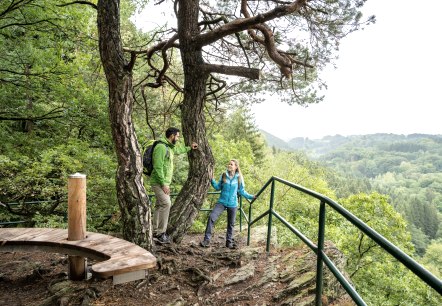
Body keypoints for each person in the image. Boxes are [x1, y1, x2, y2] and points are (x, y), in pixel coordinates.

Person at [150, 127, 198, 244]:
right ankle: (161, 233)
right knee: (166, 203)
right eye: (177, 136)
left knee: (159, 206)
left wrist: (189, 148)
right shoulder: (161, 147)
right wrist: (164, 184)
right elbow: (158, 166)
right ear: (172, 136)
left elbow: (178, 150)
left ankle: (155, 231)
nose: (178, 138)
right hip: (158, 182)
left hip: (162, 182)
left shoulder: (169, 147)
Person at [200, 159, 255, 249]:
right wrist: (212, 180)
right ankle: (206, 240)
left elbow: (241, 191)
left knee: (231, 224)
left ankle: (228, 243)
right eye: (228, 164)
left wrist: (251, 196)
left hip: (233, 204)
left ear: (236, 167)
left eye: (231, 164)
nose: (229, 165)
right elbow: (218, 187)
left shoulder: (239, 177)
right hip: (222, 202)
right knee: (211, 217)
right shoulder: (224, 175)